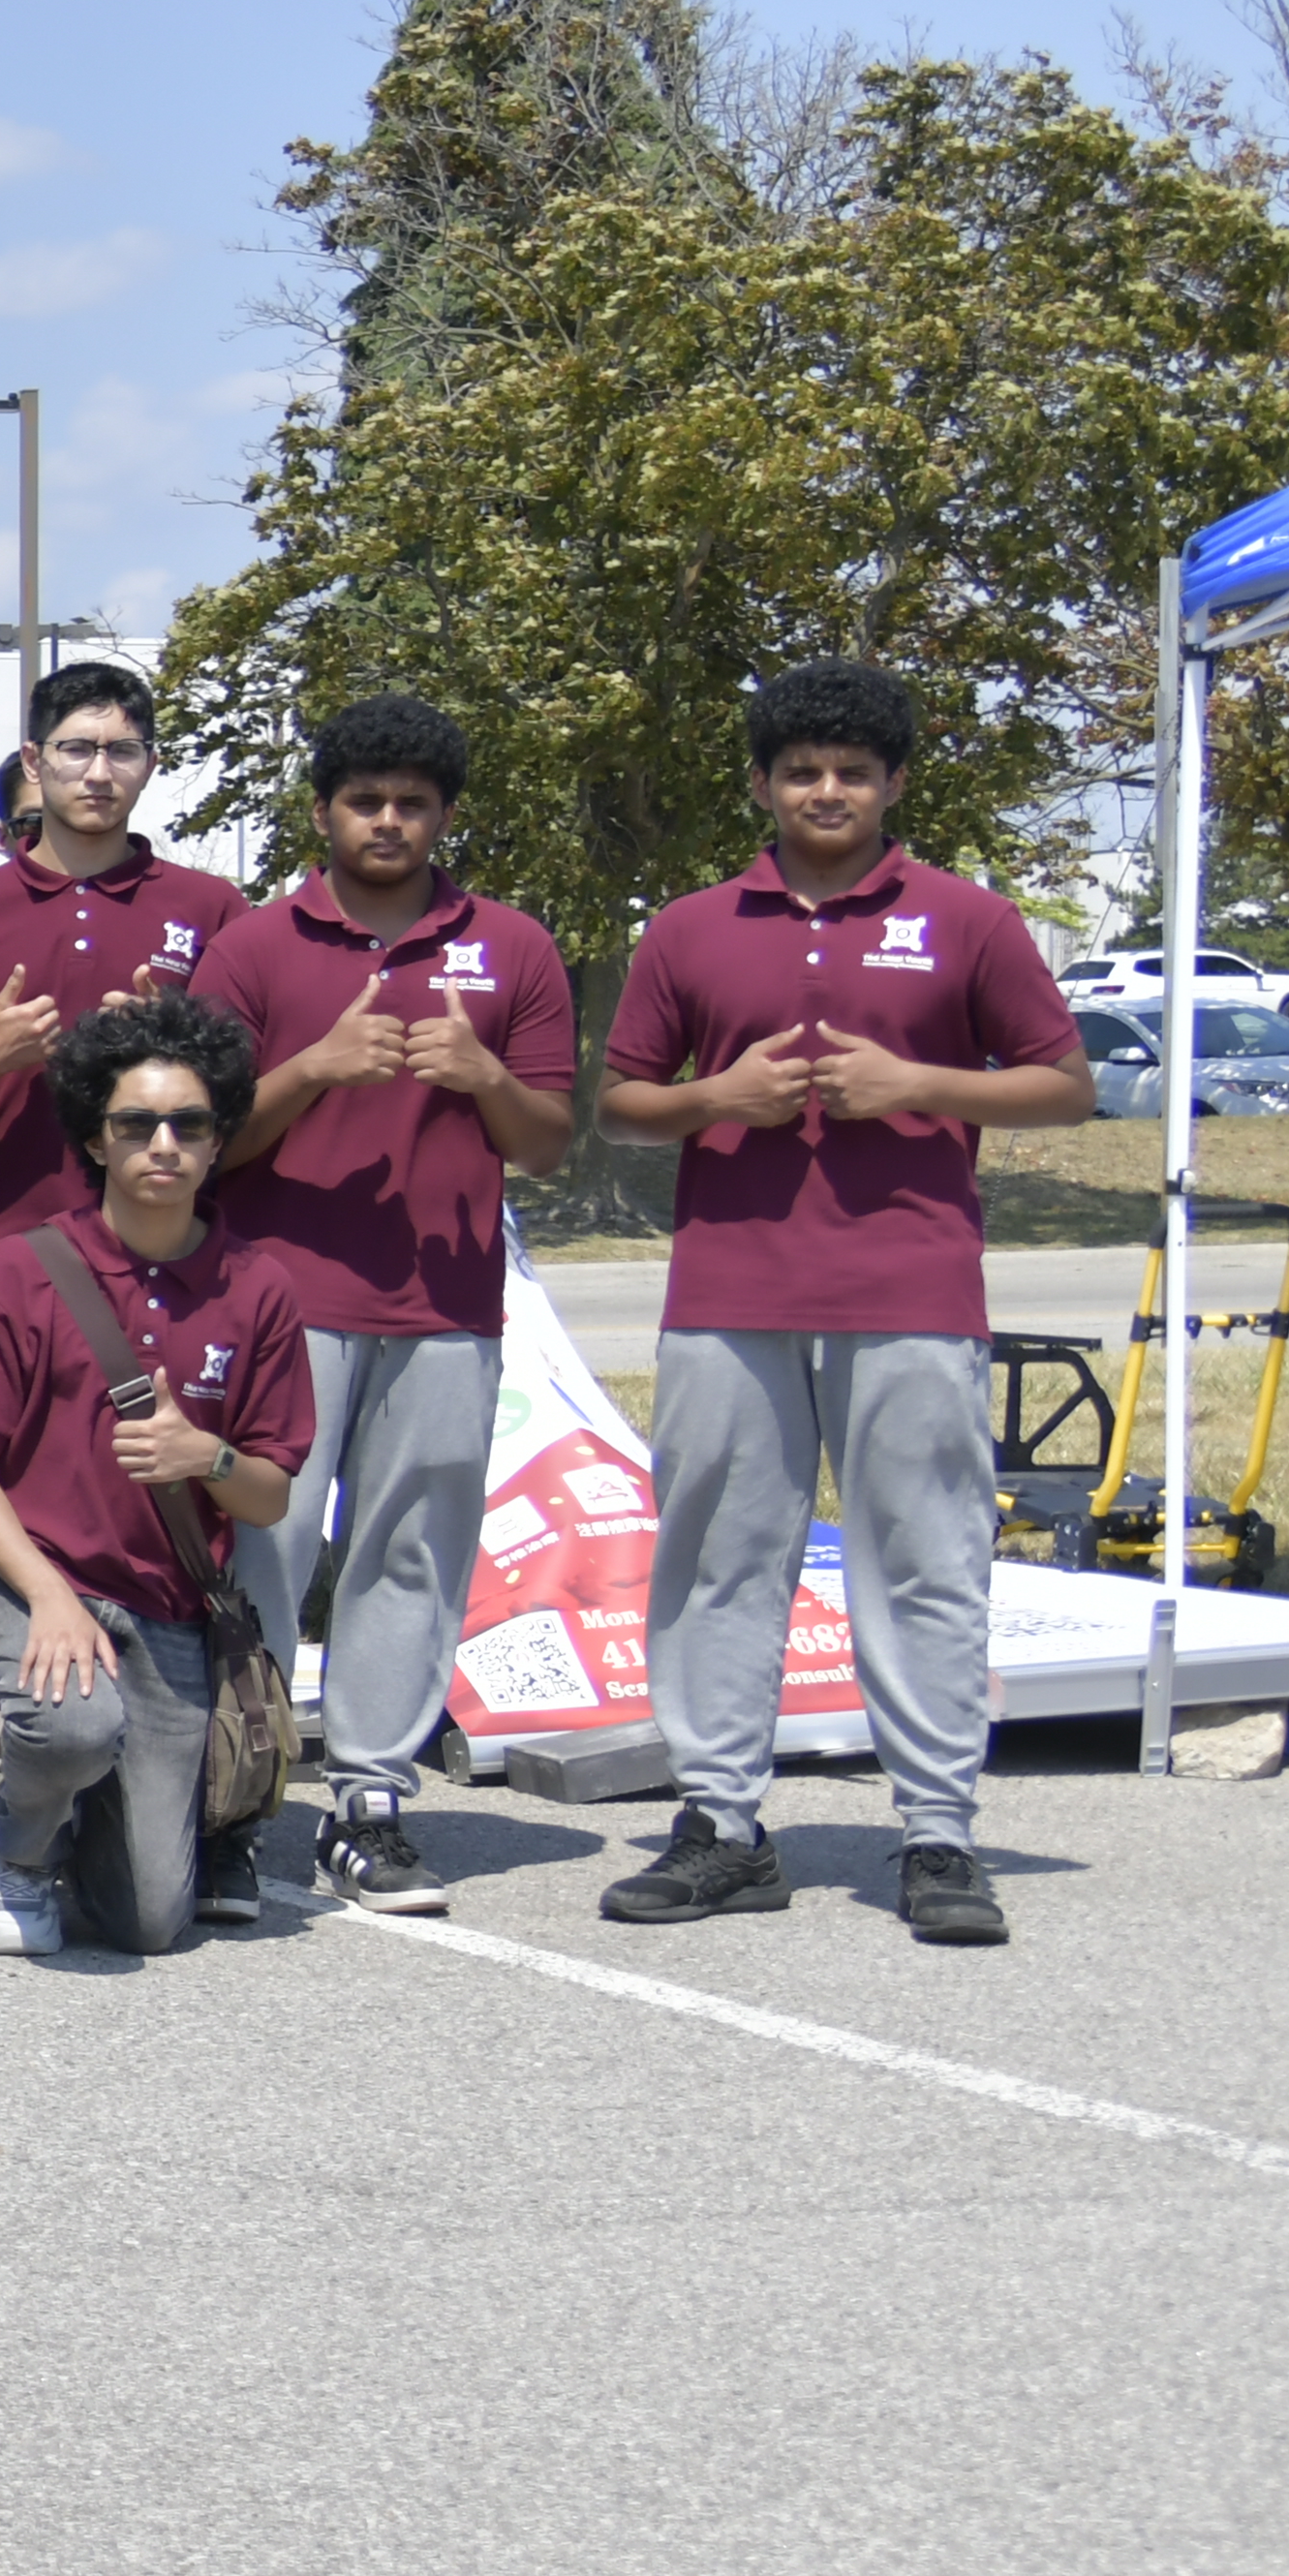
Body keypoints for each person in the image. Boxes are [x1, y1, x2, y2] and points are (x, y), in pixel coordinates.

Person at [597, 656, 1086, 1947]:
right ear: (762, 784)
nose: (827, 792)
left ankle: (936, 1831)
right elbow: (623, 1102)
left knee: (925, 1557)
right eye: (802, 771)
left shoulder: (970, 919)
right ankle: (720, 1824)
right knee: (718, 1558)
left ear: (894, 783)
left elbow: (1064, 1083)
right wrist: (717, 1099)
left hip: (911, 1285)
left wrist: (919, 1085)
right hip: (729, 1288)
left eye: (853, 773)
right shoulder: (691, 927)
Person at [204, 691, 578, 1919]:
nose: (387, 821)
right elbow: (201, 1142)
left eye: (413, 803)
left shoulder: (511, 946)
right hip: (277, 1302)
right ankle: (239, 1796)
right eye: (364, 800)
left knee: (411, 1548)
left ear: (445, 815)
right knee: (265, 1546)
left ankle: (370, 1798)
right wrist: (313, 1069)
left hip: (444, 1303)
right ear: (322, 811)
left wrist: (482, 1076)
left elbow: (548, 1142)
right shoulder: (256, 947)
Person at [0, 1000, 322, 1965]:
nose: (163, 1144)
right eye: (136, 1123)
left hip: (168, 1601)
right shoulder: (19, 1270)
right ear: (96, 1138)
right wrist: (49, 1595)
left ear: (219, 1140)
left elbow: (269, 1495)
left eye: (189, 1123)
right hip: (27, 1575)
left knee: (148, 1921)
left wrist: (206, 1457)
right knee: (71, 1726)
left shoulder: (258, 1287)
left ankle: (85, 1815)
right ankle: (20, 1853)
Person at [0, 659, 249, 1253]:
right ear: (35, 760)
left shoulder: (212, 906)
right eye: (77, 749)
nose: (99, 774)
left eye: (123, 751)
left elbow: (240, 1104)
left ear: (150, 765)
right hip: (5, 1250)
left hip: (171, 1253)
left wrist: (172, 1041)